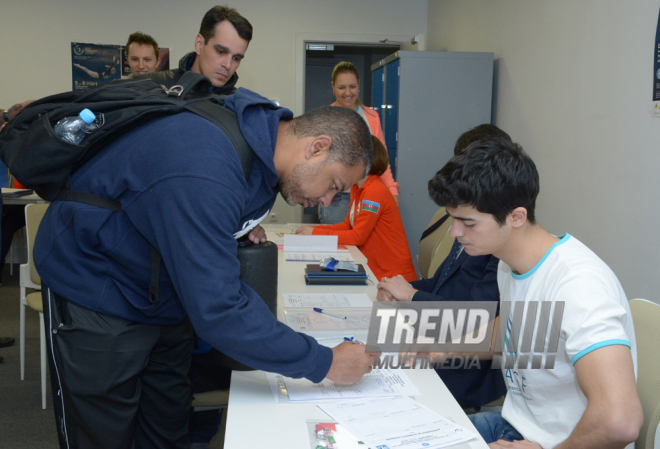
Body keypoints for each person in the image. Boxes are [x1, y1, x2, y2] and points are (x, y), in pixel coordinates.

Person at [34, 90, 375, 448]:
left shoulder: (261, 157)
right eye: (334, 186)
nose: (325, 201)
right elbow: (219, 308)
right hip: (96, 286)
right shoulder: (206, 163)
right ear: (317, 147)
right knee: (103, 432)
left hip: (162, 291)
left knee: (166, 426)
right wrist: (324, 362)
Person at [427, 138, 642, 448]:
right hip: (515, 428)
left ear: (516, 217)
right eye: (453, 219)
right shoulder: (509, 261)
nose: (455, 232)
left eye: (467, 222)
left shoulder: (578, 285)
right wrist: (441, 349)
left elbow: (620, 421)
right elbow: (513, 328)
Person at [375, 124, 511, 410]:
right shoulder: (469, 226)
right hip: (441, 334)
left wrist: (412, 297)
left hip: (465, 362)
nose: (456, 230)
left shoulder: (498, 243)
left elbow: (476, 318)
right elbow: (441, 282)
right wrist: (403, 289)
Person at [297, 136, 416, 282]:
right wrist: (314, 230)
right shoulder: (356, 187)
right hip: (375, 269)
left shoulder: (374, 190)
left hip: (393, 276)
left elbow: (357, 237)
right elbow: (348, 226)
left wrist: (315, 232)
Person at [320, 61, 399, 224]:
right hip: (336, 198)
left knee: (364, 247)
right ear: (333, 86)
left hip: (367, 195)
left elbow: (381, 160)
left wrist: (392, 191)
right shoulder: (325, 119)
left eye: (352, 86)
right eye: (341, 87)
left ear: (359, 85)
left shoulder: (372, 117)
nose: (348, 92)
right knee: (337, 246)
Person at [143, 5, 249, 99]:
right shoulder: (150, 85)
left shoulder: (237, 105)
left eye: (236, 58)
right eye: (220, 52)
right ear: (199, 44)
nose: (228, 65)